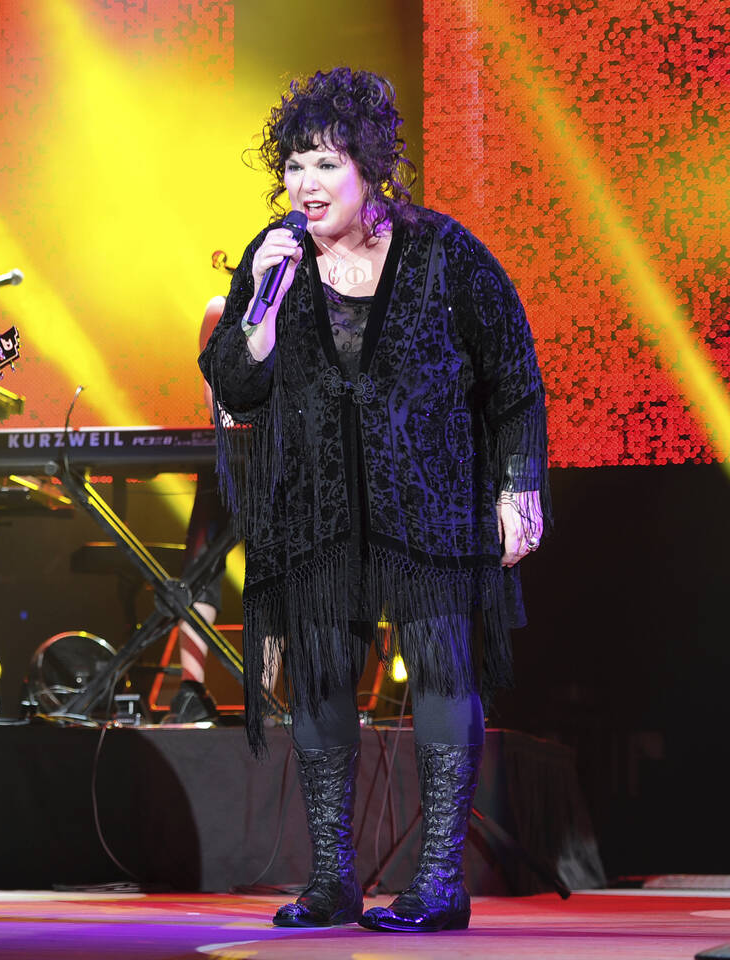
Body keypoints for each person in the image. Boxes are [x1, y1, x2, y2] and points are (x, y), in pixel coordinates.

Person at [197, 68, 548, 934]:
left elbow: (514, 380)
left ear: (371, 170)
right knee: (318, 682)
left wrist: (519, 486)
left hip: (427, 503)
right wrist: (262, 318)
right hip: (312, 506)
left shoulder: (444, 252)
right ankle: (331, 881)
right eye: (293, 167)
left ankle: (438, 882)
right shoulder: (271, 258)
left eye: (324, 165)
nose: (304, 186)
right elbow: (237, 392)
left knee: (439, 669)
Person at [164, 296, 232, 723]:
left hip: (289, 454)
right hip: (230, 448)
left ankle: (268, 697)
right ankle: (190, 688)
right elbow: (214, 394)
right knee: (202, 562)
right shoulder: (222, 308)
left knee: (282, 569)